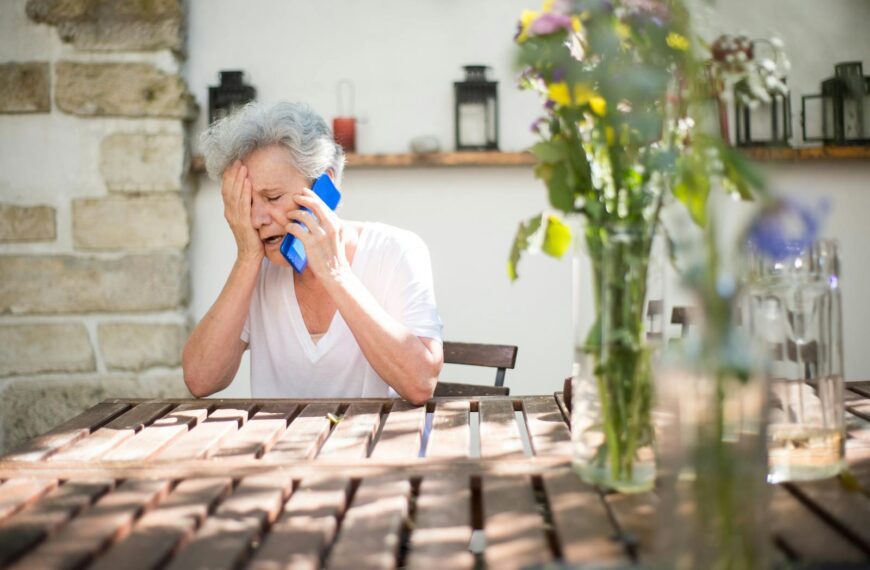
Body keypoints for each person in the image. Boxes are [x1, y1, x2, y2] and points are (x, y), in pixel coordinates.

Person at [183, 102, 443, 404]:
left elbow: (421, 383)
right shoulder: (257, 268)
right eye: (249, 203)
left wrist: (336, 274)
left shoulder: (396, 251)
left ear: (325, 184)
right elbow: (200, 380)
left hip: (373, 447)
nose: (257, 219)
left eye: (273, 197)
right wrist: (245, 259)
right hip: (277, 448)